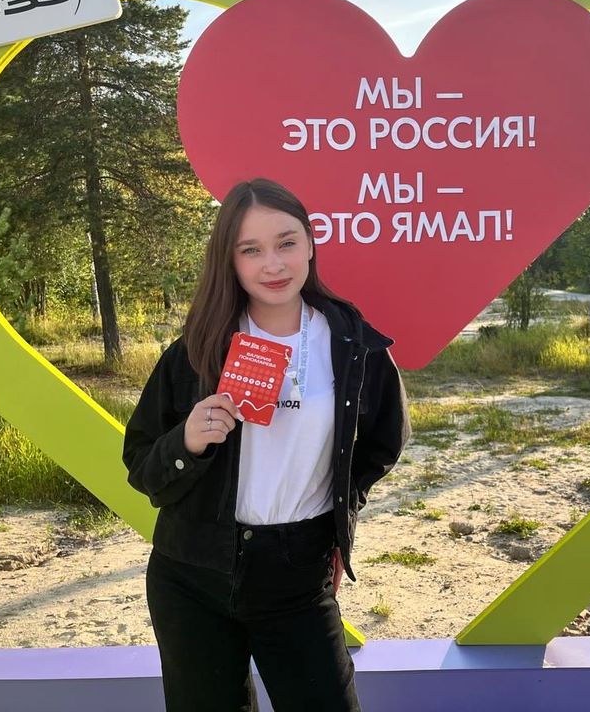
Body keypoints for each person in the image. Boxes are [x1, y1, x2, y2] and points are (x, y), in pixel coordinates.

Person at [122, 177, 410, 712]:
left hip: (297, 574)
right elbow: (141, 466)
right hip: (192, 575)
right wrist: (187, 442)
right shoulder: (196, 350)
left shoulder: (353, 345)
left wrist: (336, 521)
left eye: (286, 243)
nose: (273, 264)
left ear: (310, 245)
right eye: (250, 250)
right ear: (229, 261)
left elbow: (382, 443)